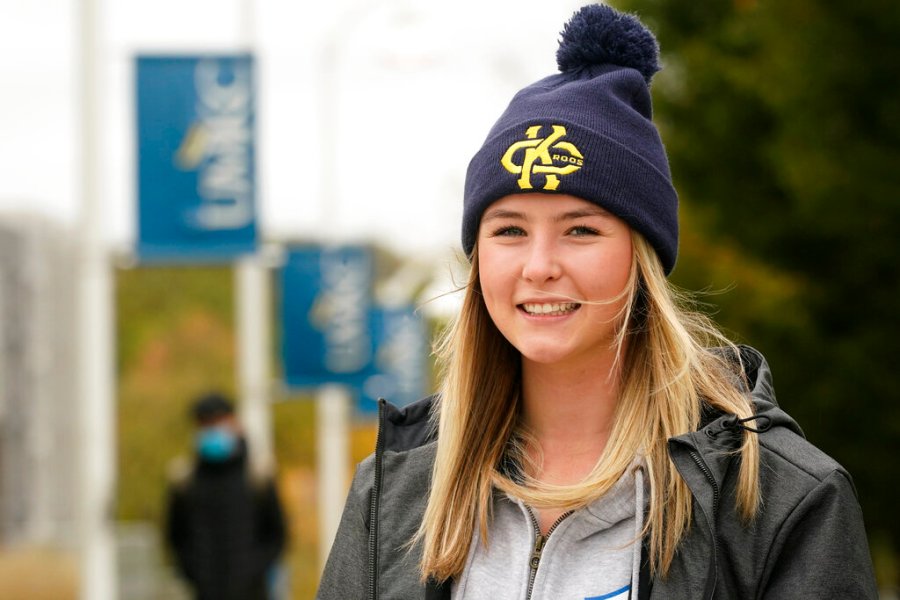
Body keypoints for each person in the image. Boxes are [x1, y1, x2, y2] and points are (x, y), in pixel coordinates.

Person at [317, 4, 878, 599]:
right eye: (509, 230)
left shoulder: (780, 499)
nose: (539, 267)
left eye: (580, 230)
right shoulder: (392, 496)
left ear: (642, 259)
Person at [165, 391, 286, 600]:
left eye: (218, 421)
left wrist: (254, 570)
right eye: (205, 423)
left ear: (234, 422)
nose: (212, 429)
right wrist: (194, 573)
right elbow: (176, 537)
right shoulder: (185, 480)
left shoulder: (257, 476)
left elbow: (276, 534)